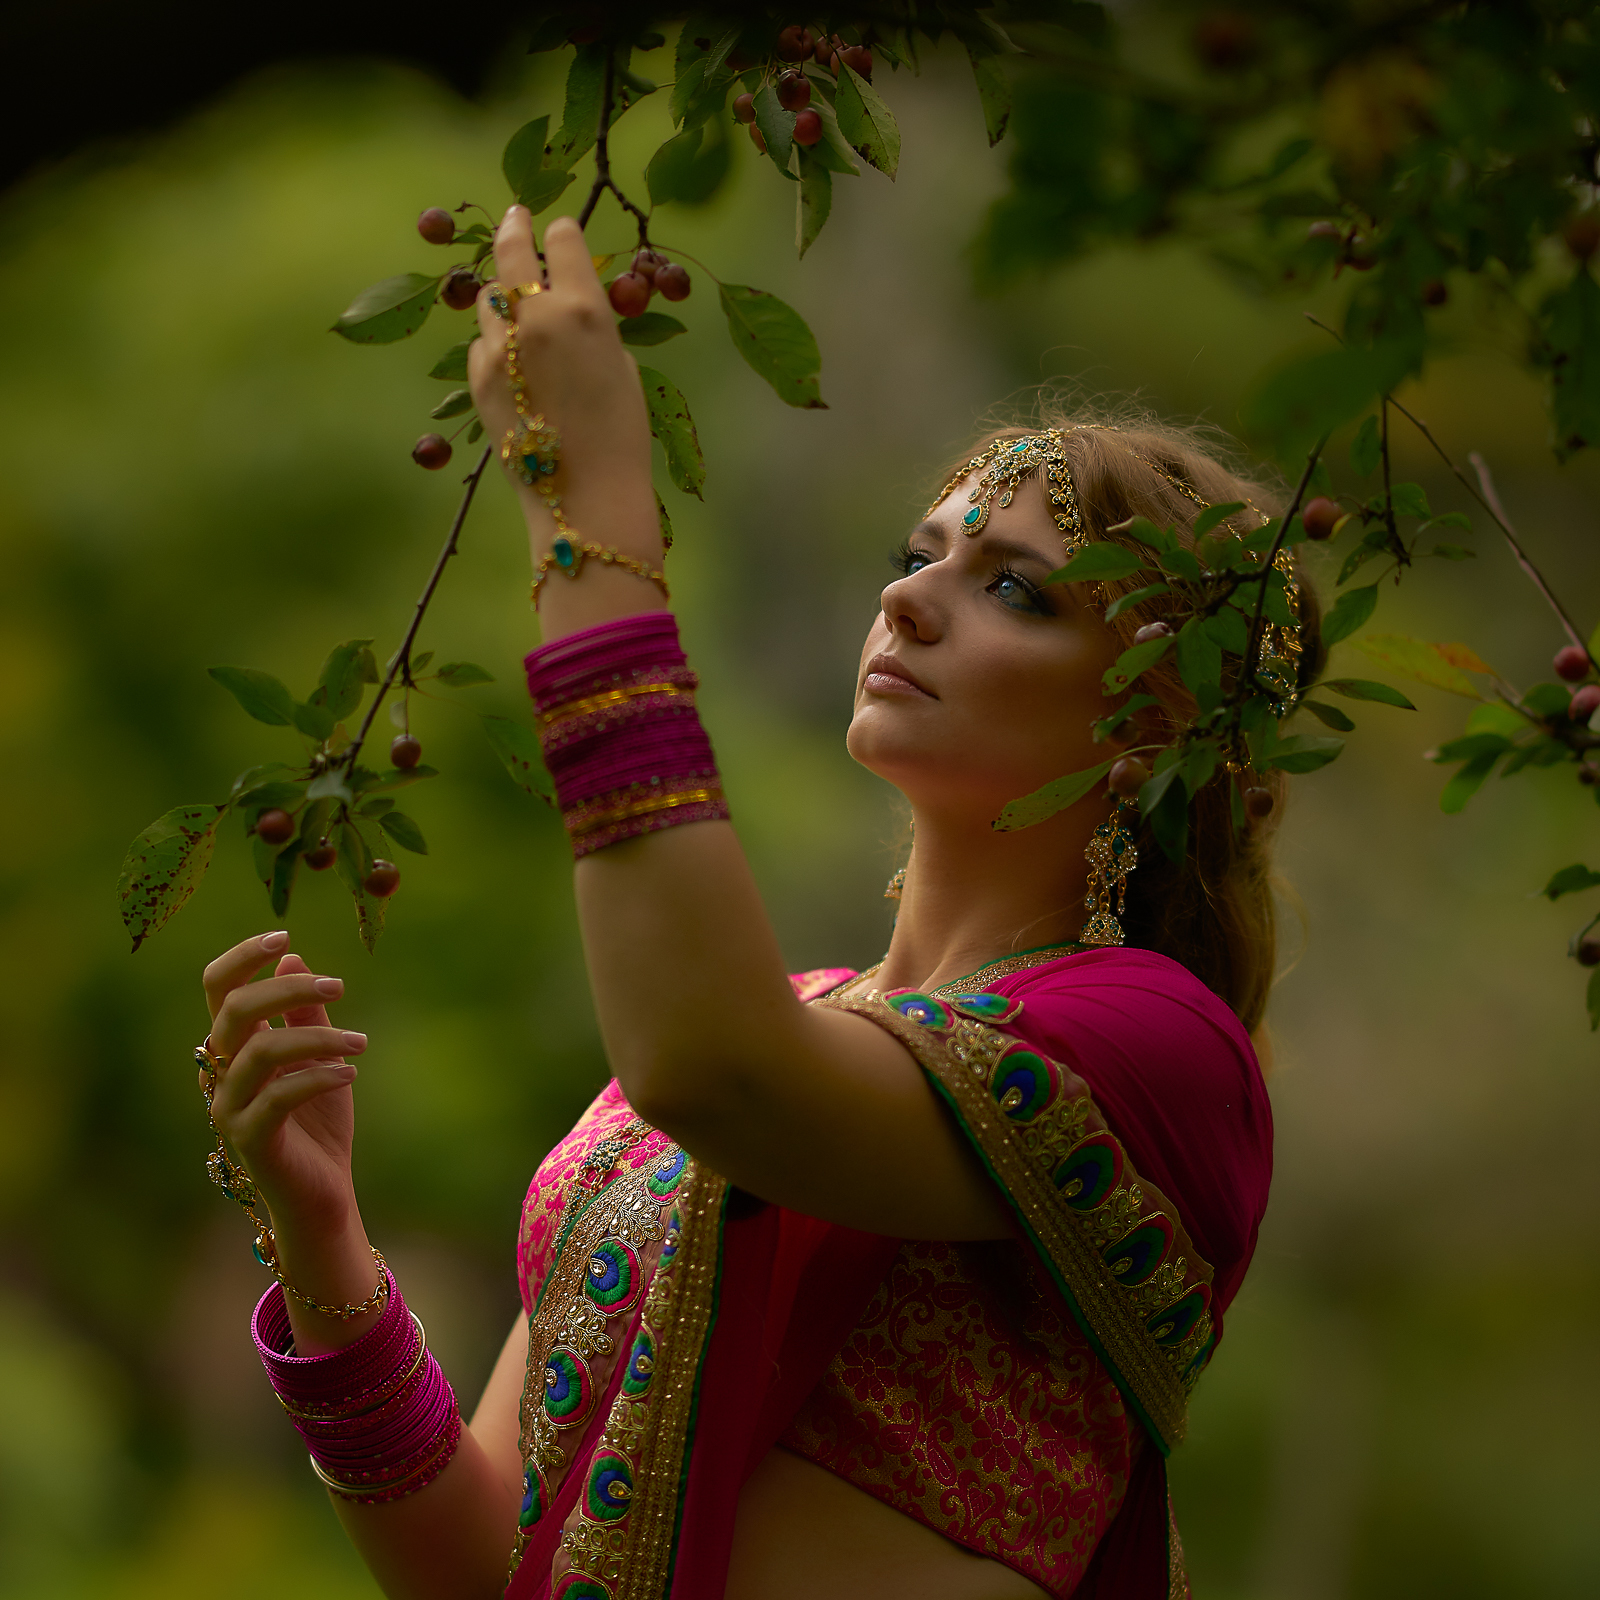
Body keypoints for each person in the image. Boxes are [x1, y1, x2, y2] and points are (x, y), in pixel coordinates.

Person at [194, 206, 1298, 1600]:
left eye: (1014, 586)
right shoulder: (744, 1050)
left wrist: (590, 508)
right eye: (919, 555)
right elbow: (481, 1568)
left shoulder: (1157, 1047)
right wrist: (325, 1243)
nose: (908, 604)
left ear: (1157, 721)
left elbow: (714, 1068)